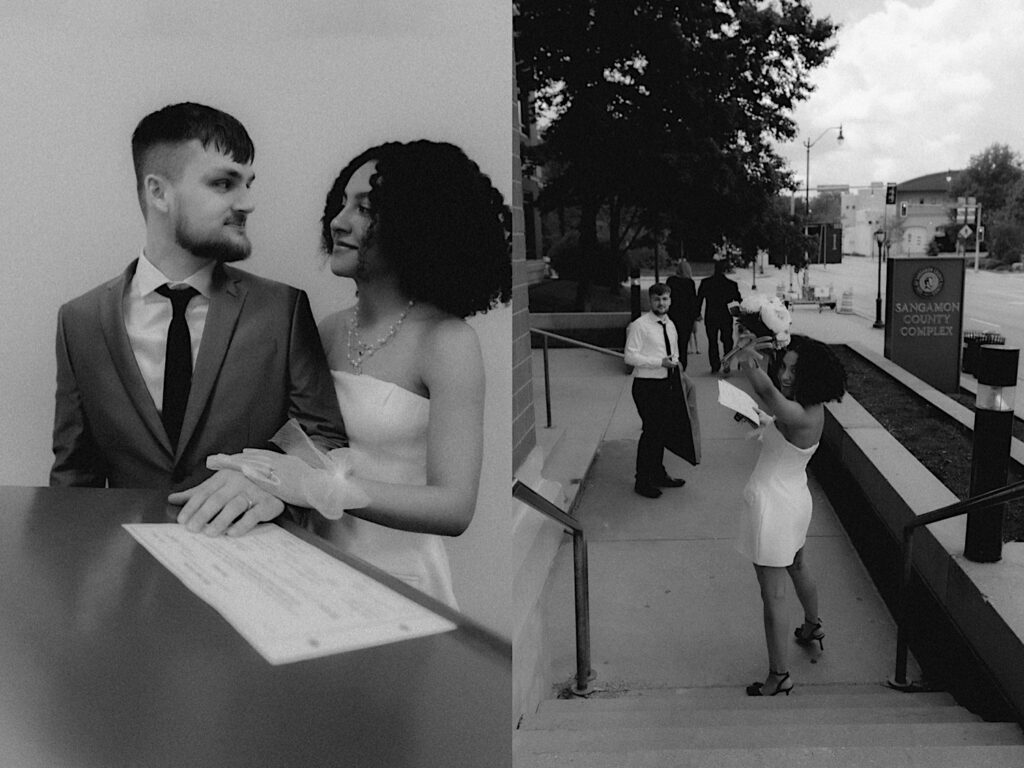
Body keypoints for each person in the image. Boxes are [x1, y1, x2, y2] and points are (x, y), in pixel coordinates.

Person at [178, 141, 511, 607]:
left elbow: (454, 507)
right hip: (311, 571)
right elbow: (299, 449)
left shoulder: (447, 341)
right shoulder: (327, 330)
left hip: (400, 585)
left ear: (420, 224)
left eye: (365, 207)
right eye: (341, 203)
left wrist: (316, 487)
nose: (338, 221)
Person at [50, 102, 346, 527]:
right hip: (129, 570)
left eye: (248, 184)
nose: (248, 203)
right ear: (159, 193)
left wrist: (266, 480)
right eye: (224, 183)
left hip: (251, 565)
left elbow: (326, 443)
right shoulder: (80, 321)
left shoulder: (283, 309)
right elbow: (74, 476)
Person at [731, 333, 846, 697]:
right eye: (785, 366)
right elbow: (777, 416)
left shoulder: (798, 412)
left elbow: (770, 398)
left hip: (773, 507)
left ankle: (779, 675)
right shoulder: (811, 409)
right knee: (798, 566)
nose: (786, 375)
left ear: (814, 375)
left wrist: (747, 359)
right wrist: (759, 420)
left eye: (796, 371)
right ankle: (812, 626)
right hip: (794, 498)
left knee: (773, 596)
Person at [623, 283, 688, 499]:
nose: (662, 303)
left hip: (665, 384)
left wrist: (675, 364)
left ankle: (658, 474)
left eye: (666, 299)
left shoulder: (670, 324)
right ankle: (642, 480)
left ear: (670, 300)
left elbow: (675, 352)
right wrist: (658, 362)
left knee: (661, 431)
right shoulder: (639, 325)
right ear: (650, 301)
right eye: (657, 299)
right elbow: (629, 357)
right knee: (651, 432)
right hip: (646, 386)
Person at [696, 258, 741, 374]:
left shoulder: (706, 283)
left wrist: (697, 314)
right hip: (725, 315)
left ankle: (715, 365)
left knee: (712, 341)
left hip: (711, 315)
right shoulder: (731, 285)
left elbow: (699, 300)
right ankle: (727, 362)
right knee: (727, 340)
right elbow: (738, 300)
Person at [665, 259, 700, 370]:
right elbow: (693, 301)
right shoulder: (690, 283)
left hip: (673, 315)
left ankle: (673, 363)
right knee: (683, 343)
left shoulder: (670, 281)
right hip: (686, 317)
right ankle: (682, 365)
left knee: (673, 342)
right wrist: (696, 315)